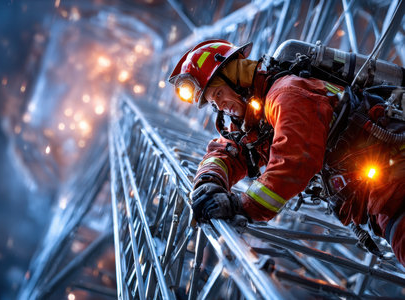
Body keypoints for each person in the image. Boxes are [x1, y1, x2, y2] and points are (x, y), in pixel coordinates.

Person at [168, 39, 405, 266]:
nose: (220, 107)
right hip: (380, 198)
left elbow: (294, 161)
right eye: (213, 103)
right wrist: (208, 182)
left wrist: (242, 205)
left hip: (394, 183)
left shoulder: (287, 94)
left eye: (219, 94)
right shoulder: (257, 118)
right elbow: (228, 151)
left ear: (236, 75)